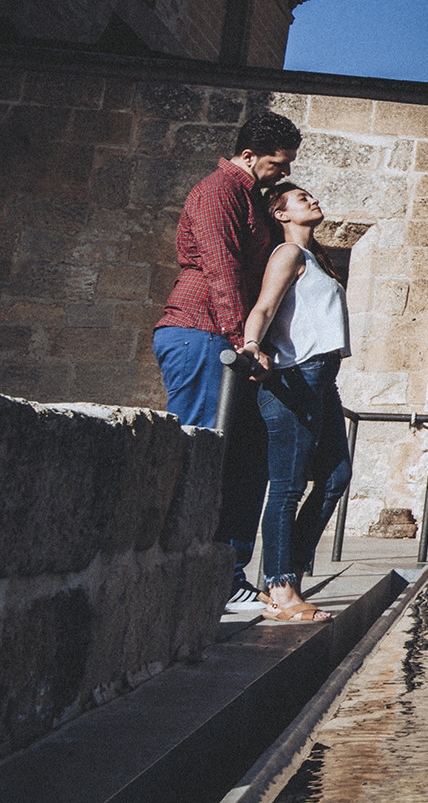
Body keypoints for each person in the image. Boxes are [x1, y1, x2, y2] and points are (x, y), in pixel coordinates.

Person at [154, 111, 301, 612]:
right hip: (201, 332)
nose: (281, 174)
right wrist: (242, 340)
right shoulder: (219, 190)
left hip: (222, 336)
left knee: (242, 455)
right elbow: (219, 267)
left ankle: (227, 572)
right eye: (277, 165)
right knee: (201, 450)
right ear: (247, 155)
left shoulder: (247, 197)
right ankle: (183, 573)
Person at [239, 182, 353, 622]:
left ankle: (286, 576)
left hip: (322, 380)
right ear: (280, 214)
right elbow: (265, 307)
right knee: (287, 486)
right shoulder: (287, 255)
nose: (314, 200)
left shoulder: (315, 259)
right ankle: (280, 589)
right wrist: (252, 344)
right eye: (302, 199)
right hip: (294, 377)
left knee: (335, 476)